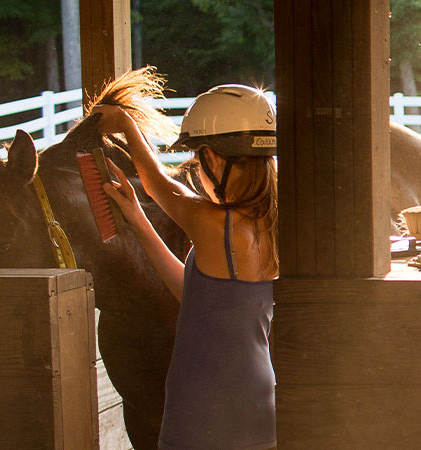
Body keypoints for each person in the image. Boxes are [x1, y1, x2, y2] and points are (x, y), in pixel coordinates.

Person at [96, 84, 280, 450]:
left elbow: (156, 184)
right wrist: (137, 220)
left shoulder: (216, 224)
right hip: (258, 401)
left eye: (197, 161)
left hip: (204, 406)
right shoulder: (272, 222)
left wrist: (126, 126)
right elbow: (194, 294)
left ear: (212, 158)